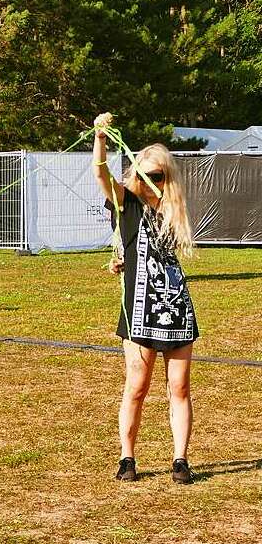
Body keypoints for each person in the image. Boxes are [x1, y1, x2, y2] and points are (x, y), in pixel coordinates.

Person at [92, 112, 198, 485]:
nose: (150, 183)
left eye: (158, 177)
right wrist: (101, 138)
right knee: (136, 385)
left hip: (176, 308)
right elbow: (101, 173)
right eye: (144, 175)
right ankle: (127, 457)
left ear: (168, 179)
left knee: (180, 387)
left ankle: (180, 459)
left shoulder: (173, 212)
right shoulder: (128, 204)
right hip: (139, 309)